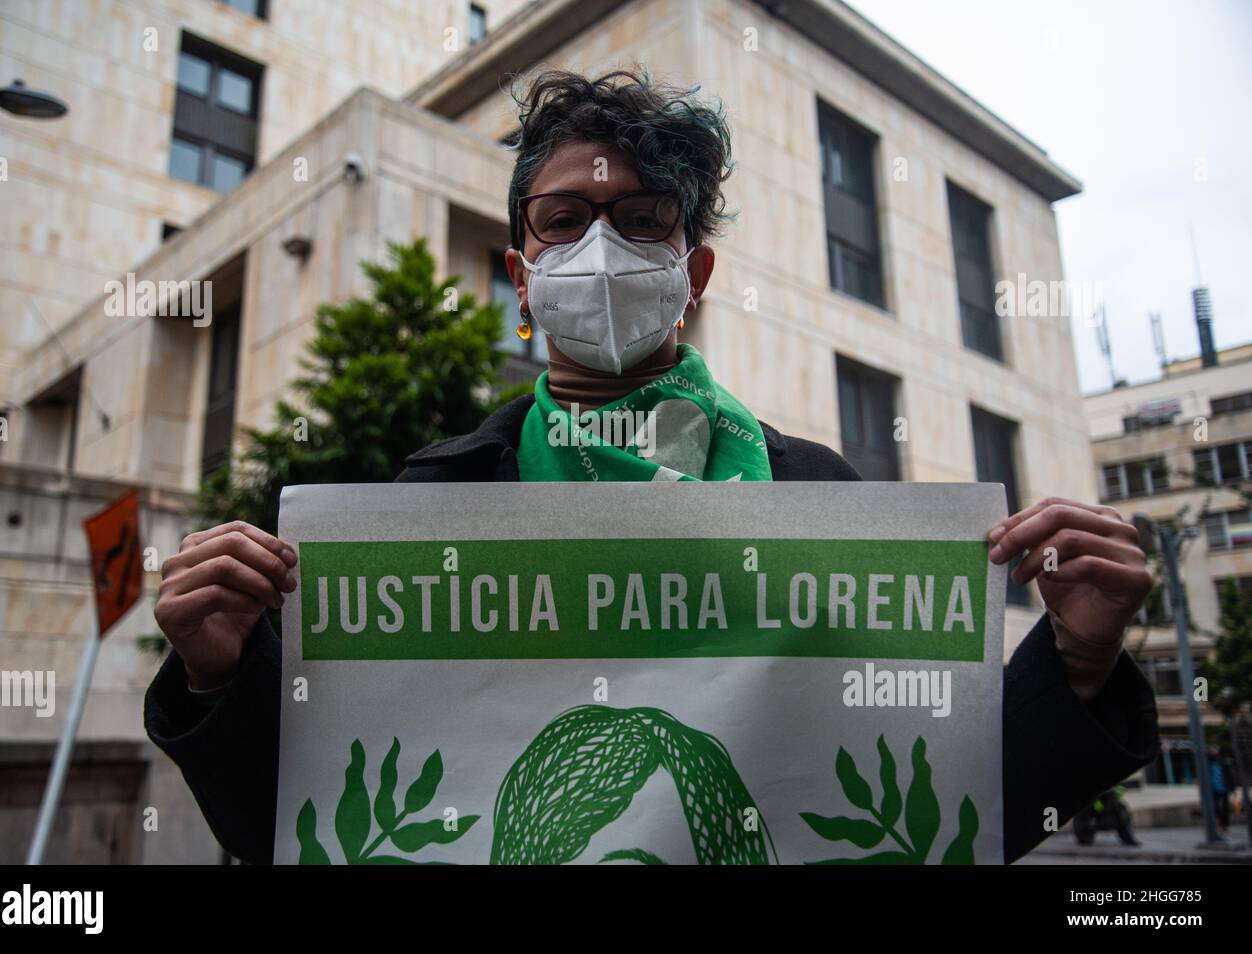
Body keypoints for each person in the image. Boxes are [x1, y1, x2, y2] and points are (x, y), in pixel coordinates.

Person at [146, 69, 1160, 865]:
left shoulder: (827, 505)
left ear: (693, 274)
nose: (600, 247)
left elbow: (945, 815)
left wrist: (1075, 664)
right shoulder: (430, 506)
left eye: (641, 221)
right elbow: (296, 820)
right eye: (562, 220)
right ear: (522, 277)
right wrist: (214, 671)